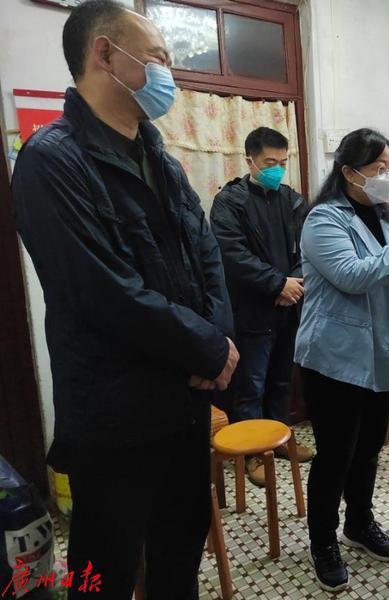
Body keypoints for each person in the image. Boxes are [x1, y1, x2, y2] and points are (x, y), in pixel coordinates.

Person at [11, 1, 239, 599]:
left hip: (184, 404)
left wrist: (216, 342)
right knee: (102, 572)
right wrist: (205, 348)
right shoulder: (51, 160)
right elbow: (101, 290)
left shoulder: (159, 157)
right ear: (104, 54)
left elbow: (206, 254)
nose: (170, 74)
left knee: (179, 554)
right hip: (115, 415)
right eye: (158, 58)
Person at [294, 128, 389, 592]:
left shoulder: (388, 219)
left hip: (380, 353)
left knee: (368, 448)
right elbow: (351, 275)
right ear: (348, 171)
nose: (388, 176)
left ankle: (359, 523)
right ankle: (323, 540)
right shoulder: (323, 219)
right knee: (335, 453)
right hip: (334, 357)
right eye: (379, 168)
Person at [210, 126, 314, 483]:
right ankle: (253, 453)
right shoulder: (229, 202)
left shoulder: (292, 200)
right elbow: (231, 254)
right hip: (252, 310)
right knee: (251, 385)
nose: (278, 169)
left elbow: (309, 247)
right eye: (270, 163)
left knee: (282, 381)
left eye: (283, 162)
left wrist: (294, 284)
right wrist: (277, 284)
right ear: (250, 160)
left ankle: (280, 439)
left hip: (290, 306)